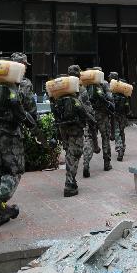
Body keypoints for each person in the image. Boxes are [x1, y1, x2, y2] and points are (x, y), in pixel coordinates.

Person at [0, 53, 36, 229]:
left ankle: (0, 212)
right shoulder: (23, 83)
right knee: (14, 171)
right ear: (21, 65)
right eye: (25, 65)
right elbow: (29, 107)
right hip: (11, 133)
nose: (25, 69)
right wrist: (32, 122)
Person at [53, 65, 95, 197]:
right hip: (75, 127)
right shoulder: (80, 88)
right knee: (75, 154)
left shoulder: (61, 87)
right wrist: (91, 119)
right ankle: (69, 184)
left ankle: (71, 179)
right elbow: (86, 108)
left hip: (62, 127)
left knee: (69, 153)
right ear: (79, 75)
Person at [82, 66, 114, 176]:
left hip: (90, 116)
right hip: (102, 116)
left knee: (89, 139)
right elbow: (110, 98)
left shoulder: (86, 84)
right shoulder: (104, 83)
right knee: (105, 138)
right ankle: (107, 163)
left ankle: (86, 163)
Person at [108, 71, 130, 161]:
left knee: (117, 132)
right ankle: (123, 146)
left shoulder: (112, 88)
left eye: (110, 77)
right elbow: (127, 104)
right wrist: (127, 113)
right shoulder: (122, 88)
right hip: (123, 114)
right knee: (121, 131)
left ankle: (119, 148)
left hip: (115, 114)